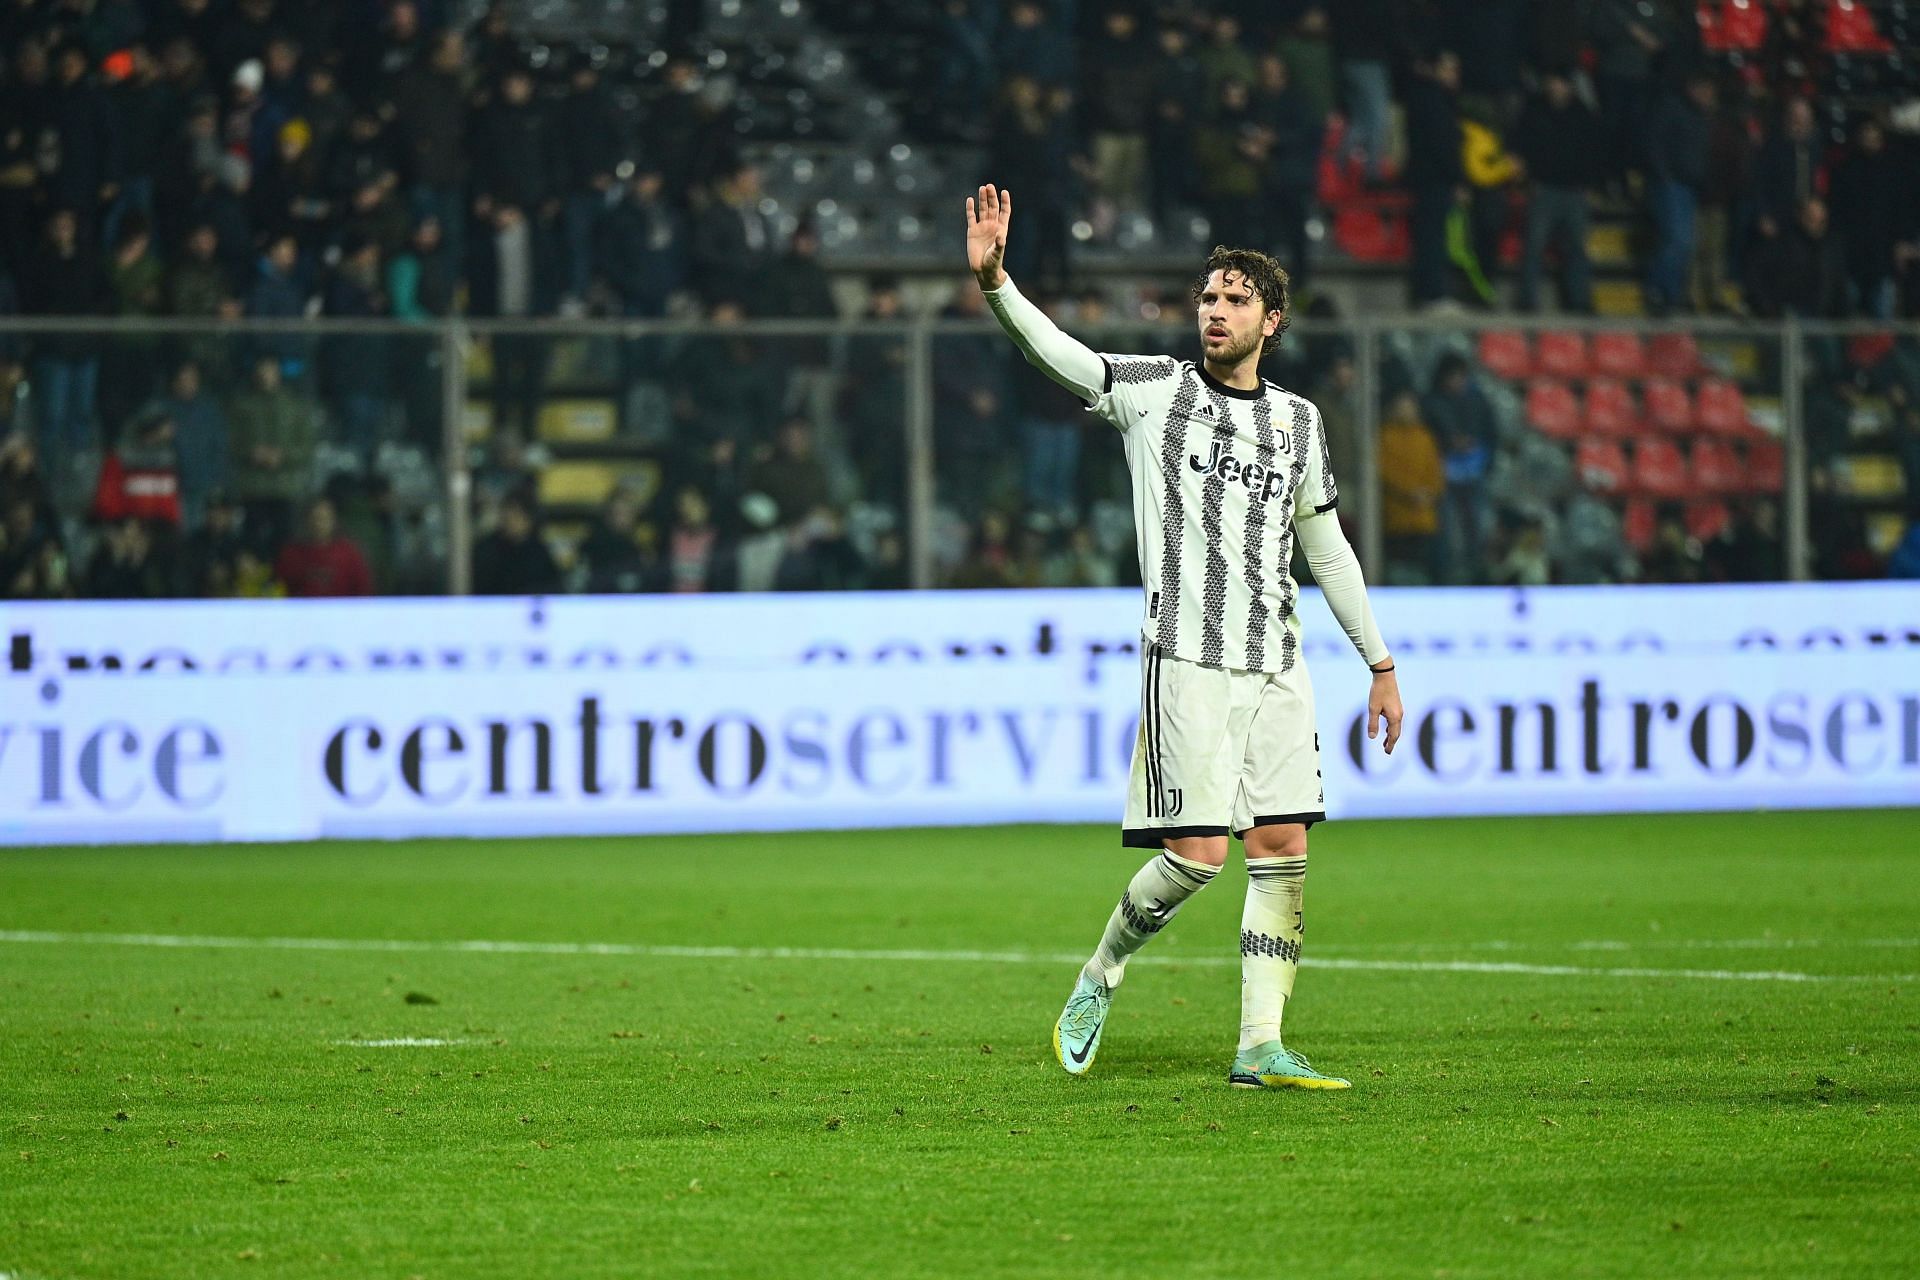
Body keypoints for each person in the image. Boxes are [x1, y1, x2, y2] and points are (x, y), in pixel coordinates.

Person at [966, 183, 1403, 1090]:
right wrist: (998, 283)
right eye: (1208, 297)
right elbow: (1064, 358)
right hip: (1188, 658)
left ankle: (1259, 1046)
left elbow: (1328, 549)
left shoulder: (1298, 423)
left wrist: (1381, 664)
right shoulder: (1154, 393)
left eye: (1236, 299)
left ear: (1271, 320)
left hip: (1278, 661)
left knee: (1283, 852)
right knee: (1197, 857)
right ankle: (1100, 975)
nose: (1215, 311)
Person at [275, 495, 373, 596]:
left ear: (334, 521)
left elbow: (363, 590)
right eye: (315, 518)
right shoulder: (291, 554)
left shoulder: (349, 553)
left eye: (324, 518)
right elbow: (280, 590)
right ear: (306, 520)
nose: (319, 524)